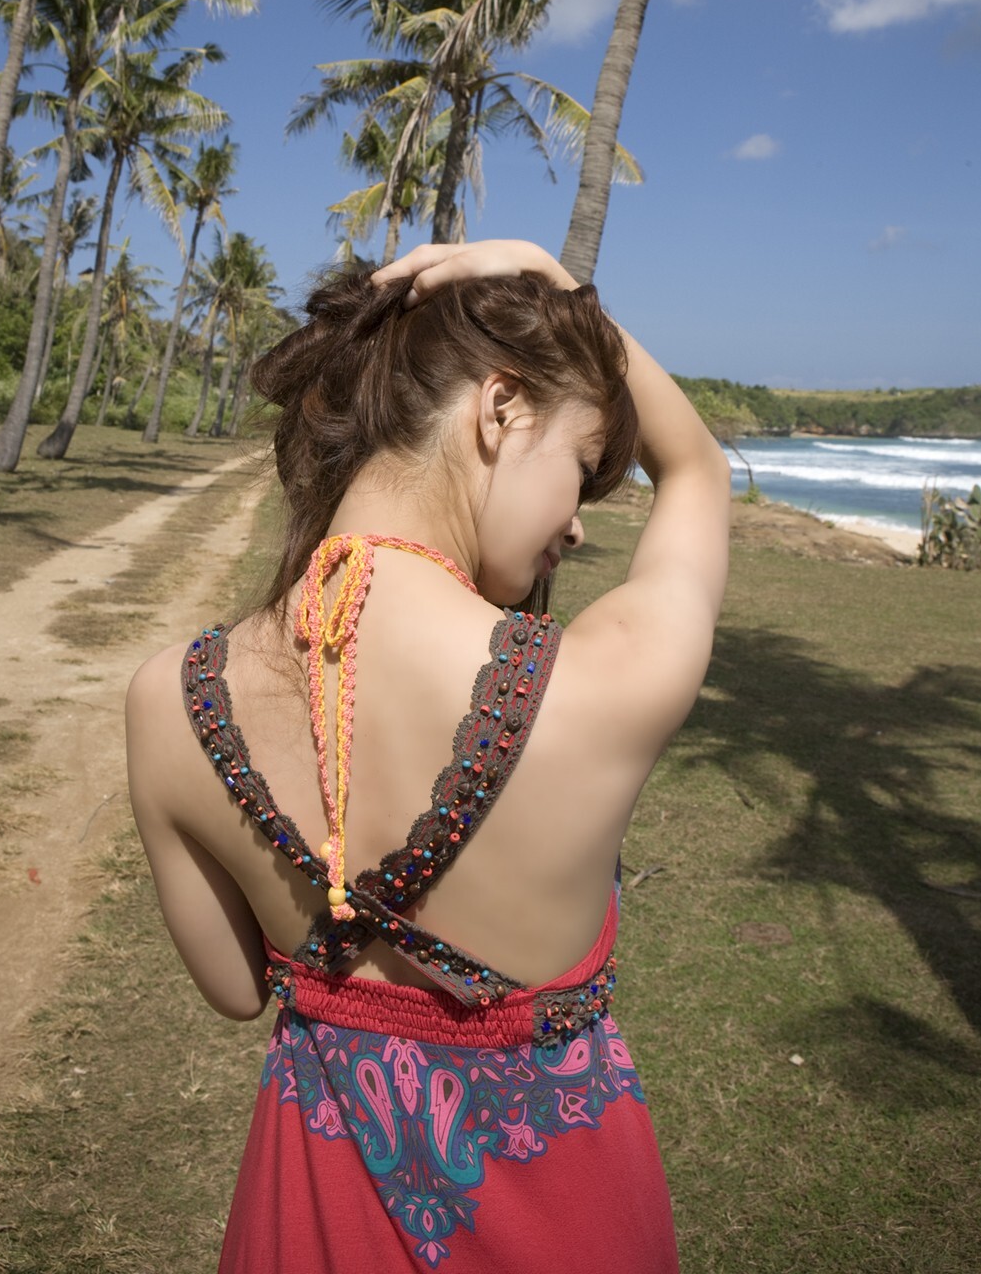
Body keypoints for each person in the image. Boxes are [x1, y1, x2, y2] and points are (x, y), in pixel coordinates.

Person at [126, 238, 730, 1272]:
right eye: (581, 469)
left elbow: (234, 987)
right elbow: (700, 471)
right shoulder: (593, 689)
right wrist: (555, 281)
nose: (577, 528)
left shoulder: (168, 702)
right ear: (499, 409)